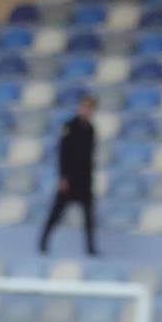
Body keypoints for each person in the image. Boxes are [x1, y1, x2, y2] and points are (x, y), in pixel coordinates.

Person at [39, 94, 99, 256]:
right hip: (70, 178)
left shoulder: (91, 129)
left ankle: (90, 247)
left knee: (89, 216)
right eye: (84, 106)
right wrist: (63, 177)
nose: (86, 110)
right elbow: (63, 153)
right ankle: (43, 242)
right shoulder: (69, 126)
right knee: (56, 212)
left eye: (89, 107)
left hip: (84, 180)